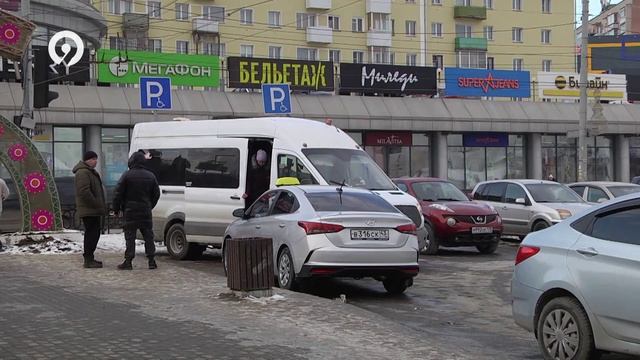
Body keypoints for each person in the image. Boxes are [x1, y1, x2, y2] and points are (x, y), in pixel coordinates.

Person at [112, 152, 161, 270]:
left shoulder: (126, 175)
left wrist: (116, 209)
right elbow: (156, 194)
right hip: (145, 211)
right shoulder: (151, 176)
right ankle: (151, 260)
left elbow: (117, 194)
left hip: (130, 212)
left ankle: (128, 261)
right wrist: (149, 205)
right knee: (148, 237)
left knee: (130, 237)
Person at [73, 151, 106, 269]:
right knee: (91, 234)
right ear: (87, 160)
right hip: (90, 209)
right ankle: (88, 259)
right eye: (93, 159)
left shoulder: (89, 172)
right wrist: (96, 203)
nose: (95, 161)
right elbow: (84, 192)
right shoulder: (83, 173)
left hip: (93, 209)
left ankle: (90, 258)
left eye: (96, 159)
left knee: (94, 233)